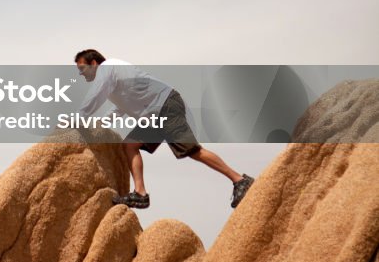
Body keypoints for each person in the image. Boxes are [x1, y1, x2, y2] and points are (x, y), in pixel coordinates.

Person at [74, 49, 255, 209]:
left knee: (192, 150)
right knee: (130, 144)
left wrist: (79, 118)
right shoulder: (114, 80)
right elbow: (120, 108)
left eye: (82, 68)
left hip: (165, 105)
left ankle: (240, 180)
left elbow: (95, 95)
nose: (81, 74)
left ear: (94, 63)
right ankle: (140, 194)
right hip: (153, 113)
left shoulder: (108, 68)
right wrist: (101, 125)